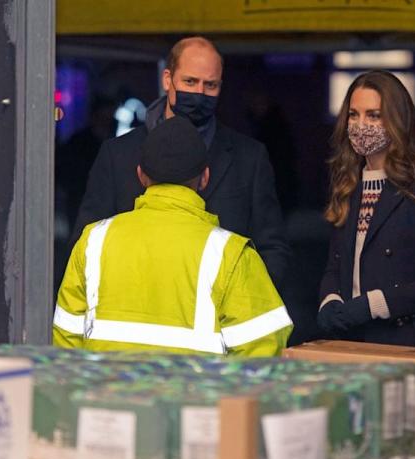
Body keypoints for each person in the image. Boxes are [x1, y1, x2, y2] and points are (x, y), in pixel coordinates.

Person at [53, 115, 293, 356]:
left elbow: (66, 346)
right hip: (196, 394)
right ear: (205, 177)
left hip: (106, 393)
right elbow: (262, 356)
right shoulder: (232, 255)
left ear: (140, 175)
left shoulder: (92, 242)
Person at [70, 36, 291, 287]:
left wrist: (245, 303)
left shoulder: (249, 157)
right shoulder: (118, 154)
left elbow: (272, 248)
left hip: (220, 317)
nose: (199, 93)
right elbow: (86, 244)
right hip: (137, 312)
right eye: (189, 81)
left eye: (210, 85)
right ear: (167, 79)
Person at [316, 70, 415, 348]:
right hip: (357, 341)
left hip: (411, 341)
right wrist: (330, 301)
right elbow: (334, 265)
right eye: (354, 114)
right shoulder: (347, 181)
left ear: (396, 119)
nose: (361, 124)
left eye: (373, 115)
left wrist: (377, 303)